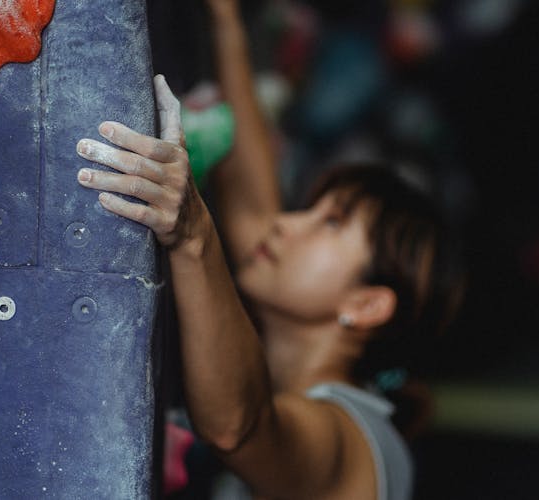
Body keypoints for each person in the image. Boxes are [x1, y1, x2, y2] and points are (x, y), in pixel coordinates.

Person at [75, 1, 462, 498]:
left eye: (331, 222)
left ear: (365, 304)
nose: (286, 225)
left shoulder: (351, 439)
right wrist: (227, 21)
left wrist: (194, 231)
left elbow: (239, 427)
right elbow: (257, 206)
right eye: (311, 207)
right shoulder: (299, 383)